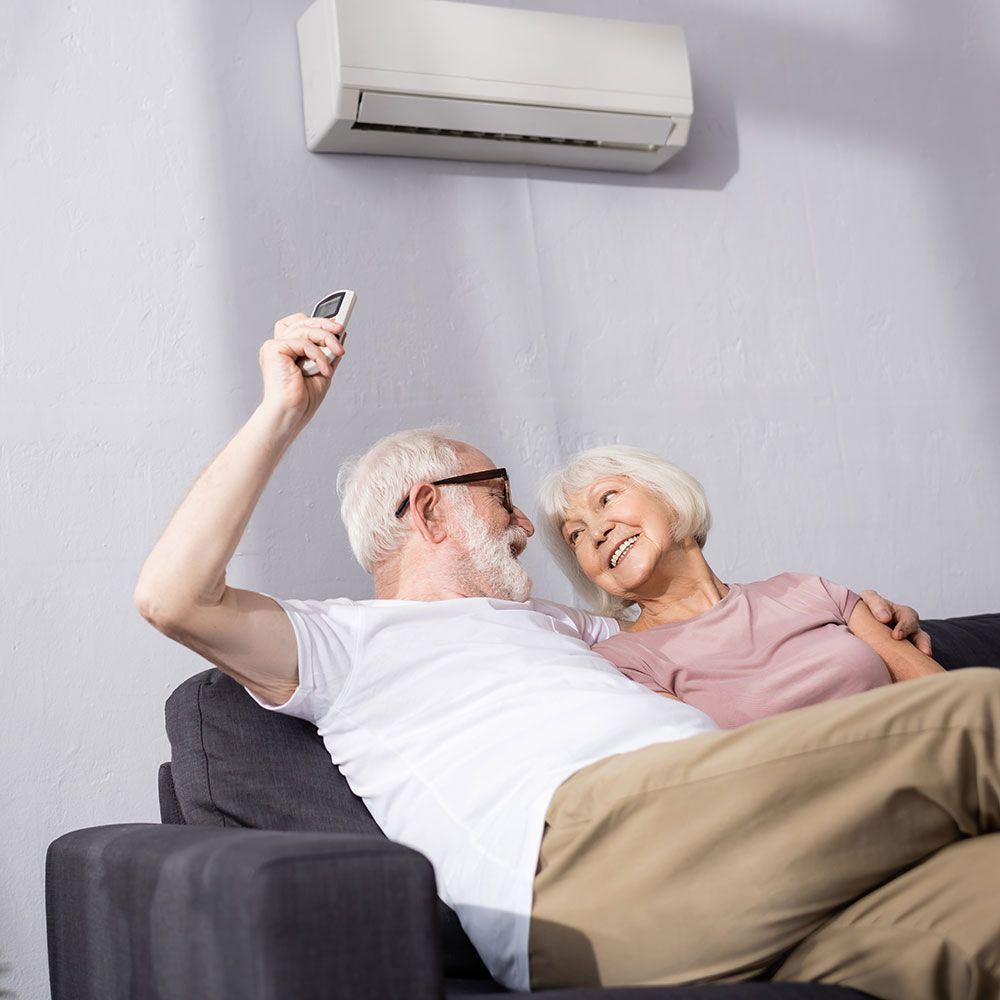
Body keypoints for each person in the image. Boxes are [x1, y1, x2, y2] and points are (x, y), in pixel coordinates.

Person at [135, 313, 1000, 999]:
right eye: (505, 501)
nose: (524, 530)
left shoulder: (569, 629)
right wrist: (284, 410)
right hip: (589, 858)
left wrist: (855, 615)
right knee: (976, 715)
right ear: (429, 511)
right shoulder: (345, 642)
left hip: (725, 845)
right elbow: (172, 596)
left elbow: (710, 621)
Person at [538, 446, 945, 728]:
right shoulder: (622, 663)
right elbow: (712, 773)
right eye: (575, 536)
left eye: (606, 499)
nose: (596, 532)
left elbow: (947, 695)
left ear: (671, 499)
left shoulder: (806, 589)